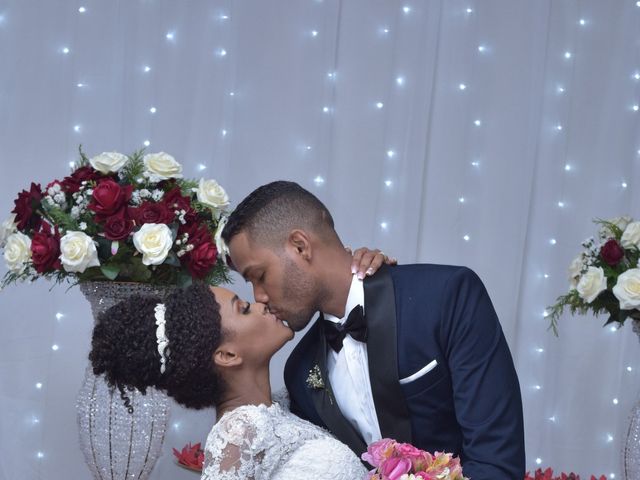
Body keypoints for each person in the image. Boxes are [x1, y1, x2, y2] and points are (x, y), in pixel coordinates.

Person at [221, 181, 526, 480]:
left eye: (259, 276)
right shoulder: (301, 371)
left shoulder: (446, 297)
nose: (258, 295)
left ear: (300, 247)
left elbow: (497, 462)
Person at [88, 249, 389, 480]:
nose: (261, 303)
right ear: (227, 356)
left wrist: (358, 273)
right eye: (244, 309)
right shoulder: (238, 431)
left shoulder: (284, 404)